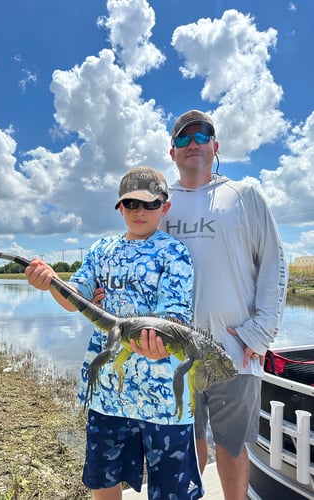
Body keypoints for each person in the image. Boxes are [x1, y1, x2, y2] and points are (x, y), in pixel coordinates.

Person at [128, 110, 288, 500]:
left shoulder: (244, 195)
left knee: (232, 448)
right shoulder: (161, 207)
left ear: (215, 146)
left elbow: (274, 263)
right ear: (172, 152)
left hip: (235, 349)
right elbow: (137, 264)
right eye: (183, 138)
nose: (193, 143)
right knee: (185, 446)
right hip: (172, 354)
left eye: (202, 135)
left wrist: (261, 331)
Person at [25, 166, 204, 500]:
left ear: (165, 207)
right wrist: (49, 281)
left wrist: (161, 343)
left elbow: (176, 317)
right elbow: (73, 297)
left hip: (164, 399)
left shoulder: (174, 252)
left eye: (150, 204)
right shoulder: (101, 249)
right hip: (108, 393)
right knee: (103, 480)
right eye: (131, 203)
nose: (139, 211)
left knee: (172, 490)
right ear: (119, 207)